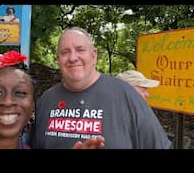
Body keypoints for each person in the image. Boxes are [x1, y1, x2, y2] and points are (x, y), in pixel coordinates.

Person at [33, 26, 172, 149]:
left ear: (94, 56)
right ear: (58, 59)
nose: (73, 58)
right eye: (65, 52)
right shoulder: (45, 101)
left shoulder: (127, 95)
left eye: (80, 50)